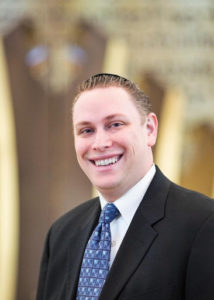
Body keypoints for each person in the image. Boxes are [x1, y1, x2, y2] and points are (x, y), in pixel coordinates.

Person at [36, 73, 214, 300]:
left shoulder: (204, 224)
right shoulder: (60, 234)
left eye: (115, 125)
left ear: (149, 129)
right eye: (86, 130)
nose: (100, 144)